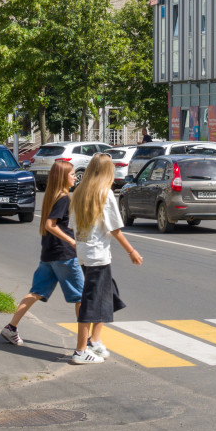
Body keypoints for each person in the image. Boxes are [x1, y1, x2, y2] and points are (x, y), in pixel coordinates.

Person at [68, 154, 143, 365]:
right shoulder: (105, 194)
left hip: (84, 255)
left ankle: (94, 340)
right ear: (108, 172)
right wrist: (131, 252)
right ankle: (80, 351)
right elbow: (115, 229)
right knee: (91, 304)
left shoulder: (79, 192)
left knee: (109, 296)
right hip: (98, 257)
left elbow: (73, 226)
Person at [1, 161, 84, 346]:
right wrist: (71, 241)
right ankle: (84, 343)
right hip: (64, 255)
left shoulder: (51, 195)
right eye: (72, 174)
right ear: (63, 177)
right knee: (81, 298)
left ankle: (11, 327)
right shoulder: (63, 197)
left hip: (49, 254)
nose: (74, 177)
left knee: (36, 292)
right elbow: (50, 224)